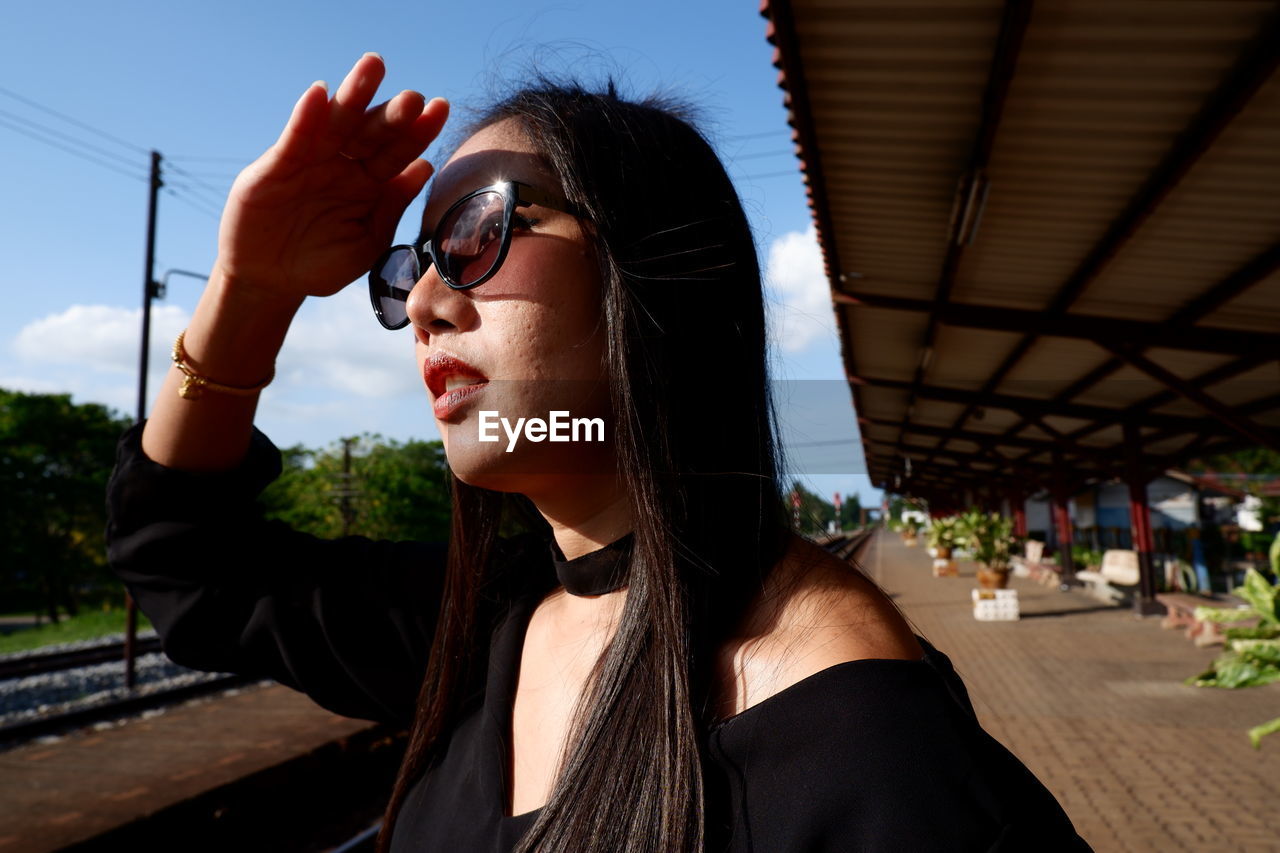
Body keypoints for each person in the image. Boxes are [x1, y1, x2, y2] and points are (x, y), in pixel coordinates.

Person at [105, 53, 1092, 852]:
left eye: (480, 230)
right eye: (410, 267)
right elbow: (181, 562)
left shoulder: (874, 765)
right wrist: (250, 287)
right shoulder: (481, 625)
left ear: (656, 271)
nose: (420, 303)